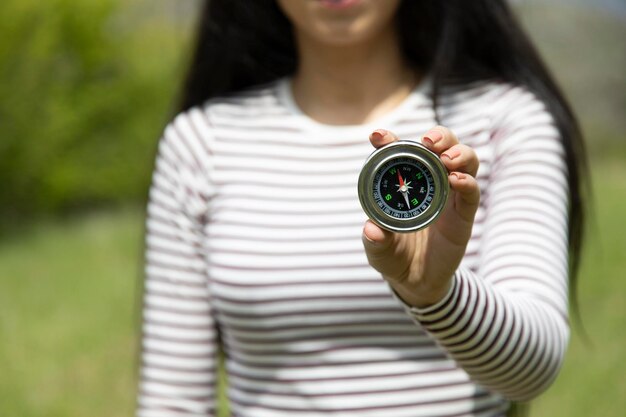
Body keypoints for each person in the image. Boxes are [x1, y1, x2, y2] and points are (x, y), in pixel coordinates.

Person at [136, 0, 587, 416]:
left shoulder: (505, 123)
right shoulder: (200, 143)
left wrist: (436, 295)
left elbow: (532, 372)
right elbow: (172, 404)